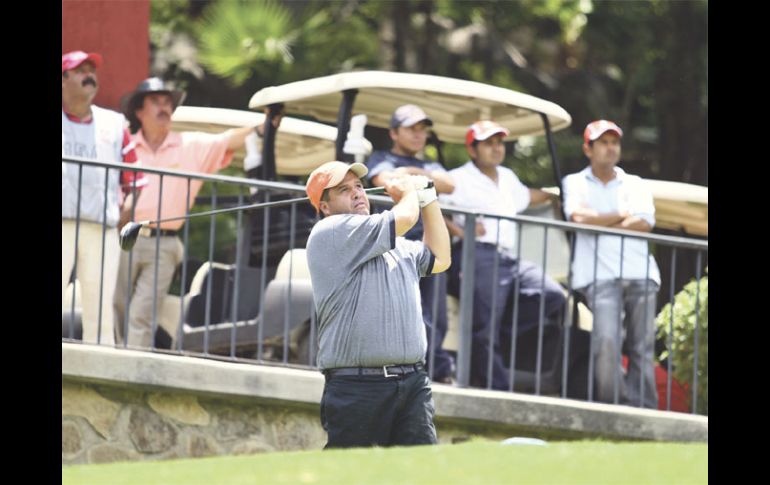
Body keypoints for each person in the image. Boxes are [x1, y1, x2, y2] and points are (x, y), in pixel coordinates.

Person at [113, 77, 273, 349]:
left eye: (167, 103)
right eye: (156, 102)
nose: (164, 107)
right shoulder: (122, 144)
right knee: (114, 308)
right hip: (123, 236)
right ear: (139, 111)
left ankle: (131, 371)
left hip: (164, 243)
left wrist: (266, 123)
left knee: (142, 313)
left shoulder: (190, 145)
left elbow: (228, 140)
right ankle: (111, 363)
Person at [305, 161, 451, 448]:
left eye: (359, 186)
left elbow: (441, 258)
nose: (358, 193)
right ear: (325, 206)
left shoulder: (392, 242)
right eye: (344, 190)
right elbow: (406, 218)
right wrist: (409, 192)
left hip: (412, 383)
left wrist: (429, 197)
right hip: (358, 387)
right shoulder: (330, 232)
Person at [439, 120, 566, 391]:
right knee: (485, 328)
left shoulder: (507, 177)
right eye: (489, 143)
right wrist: (462, 231)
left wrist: (553, 196)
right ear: (472, 150)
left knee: (551, 295)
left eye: (499, 143)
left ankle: (496, 335)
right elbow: (432, 204)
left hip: (508, 258)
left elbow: (527, 196)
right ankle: (494, 388)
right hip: (478, 255)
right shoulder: (459, 178)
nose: (497, 148)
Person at [562, 119, 660, 409]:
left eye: (614, 142)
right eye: (603, 142)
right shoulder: (575, 182)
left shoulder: (635, 183)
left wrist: (599, 219)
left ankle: (645, 410)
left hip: (641, 274)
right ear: (588, 149)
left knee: (643, 348)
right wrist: (619, 213)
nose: (610, 148)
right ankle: (614, 408)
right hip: (600, 277)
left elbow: (644, 222)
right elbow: (578, 218)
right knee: (606, 342)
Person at [366, 104, 456, 384]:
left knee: (434, 313)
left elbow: (449, 184)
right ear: (393, 133)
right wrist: (420, 179)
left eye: (423, 130)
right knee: (401, 307)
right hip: (396, 246)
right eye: (411, 129)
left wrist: (411, 170)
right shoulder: (380, 157)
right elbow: (384, 179)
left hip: (429, 245)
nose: (419, 135)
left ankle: (431, 368)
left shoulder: (429, 164)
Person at [62, 50, 146, 345]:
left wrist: (124, 214)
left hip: (101, 227)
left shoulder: (114, 124)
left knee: (100, 311)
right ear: (63, 79)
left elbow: (136, 178)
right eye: (80, 70)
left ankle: (99, 376)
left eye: (91, 70)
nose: (90, 75)